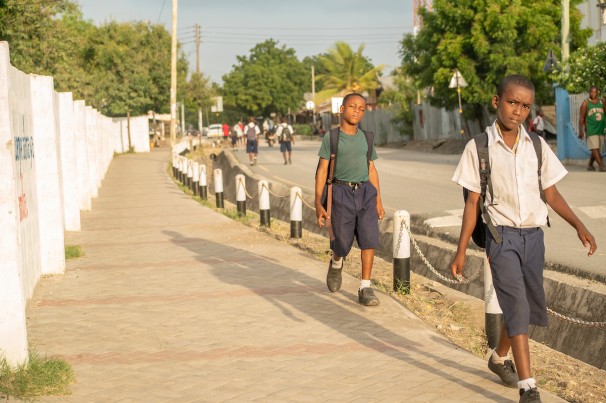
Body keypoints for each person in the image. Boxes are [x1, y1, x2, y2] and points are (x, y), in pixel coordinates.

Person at [450, 75, 597, 403]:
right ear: (496, 101)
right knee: (516, 304)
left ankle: (499, 357)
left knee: (527, 308)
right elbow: (472, 202)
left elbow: (552, 193)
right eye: (512, 102)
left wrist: (578, 225)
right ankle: (528, 386)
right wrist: (460, 250)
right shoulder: (478, 147)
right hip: (501, 239)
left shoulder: (537, 146)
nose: (518, 111)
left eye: (525, 106)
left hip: (533, 238)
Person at [314, 93, 385, 307]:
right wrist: (318, 203)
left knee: (369, 239)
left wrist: (378, 200)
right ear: (342, 109)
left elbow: (371, 169)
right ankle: (337, 262)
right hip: (340, 192)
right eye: (352, 106)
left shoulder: (367, 138)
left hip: (365, 193)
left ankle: (365, 287)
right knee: (342, 243)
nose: (357, 111)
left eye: (361, 108)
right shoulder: (332, 138)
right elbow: (322, 170)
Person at [579, 85, 606, 171]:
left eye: (595, 92)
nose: (593, 93)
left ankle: (590, 165)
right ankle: (602, 165)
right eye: (592, 92)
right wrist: (581, 130)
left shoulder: (602, 101)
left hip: (601, 128)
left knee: (596, 148)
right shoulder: (586, 103)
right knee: (594, 147)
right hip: (591, 128)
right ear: (589, 92)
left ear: (597, 92)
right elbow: (582, 118)